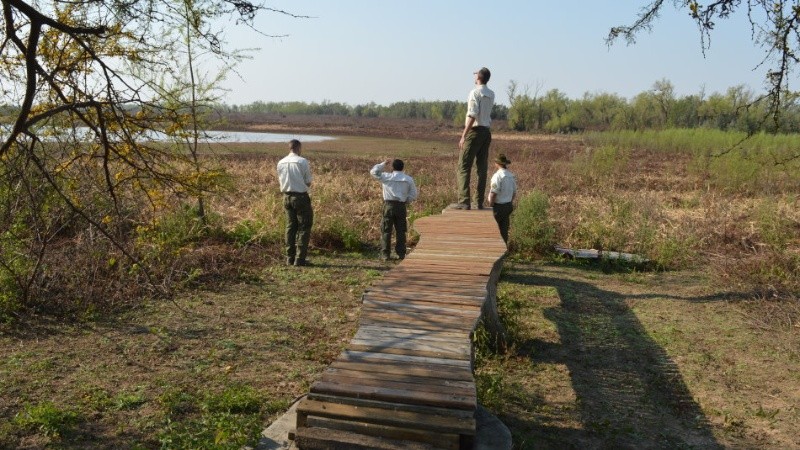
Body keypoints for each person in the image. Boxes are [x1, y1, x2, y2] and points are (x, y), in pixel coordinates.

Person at [452, 67, 495, 210]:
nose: (474, 75)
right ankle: (479, 202)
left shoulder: (474, 93)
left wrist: (464, 135)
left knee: (463, 167)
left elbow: (472, 114)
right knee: (481, 168)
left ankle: (464, 201)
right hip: (486, 132)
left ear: (478, 77)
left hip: (475, 132)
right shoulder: (491, 93)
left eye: (476, 74)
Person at [370, 159, 418, 261]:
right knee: (401, 230)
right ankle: (401, 253)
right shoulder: (408, 179)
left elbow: (373, 172)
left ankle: (385, 254)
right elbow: (414, 194)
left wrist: (383, 164)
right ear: (403, 167)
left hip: (388, 205)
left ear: (392, 167)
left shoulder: (386, 177)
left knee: (386, 230)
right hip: (401, 206)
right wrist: (405, 201)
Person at [277, 139, 313, 266]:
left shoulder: (281, 162)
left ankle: (289, 257)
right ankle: (300, 259)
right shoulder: (302, 161)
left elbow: (280, 180)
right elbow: (308, 181)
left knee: (290, 227)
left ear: (289, 148)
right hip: (300, 197)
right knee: (304, 226)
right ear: (298, 148)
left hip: (286, 196)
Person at [486, 153, 517, 244]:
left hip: (498, 207)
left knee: (491, 230)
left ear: (497, 164)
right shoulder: (511, 176)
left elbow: (493, 193)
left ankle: (491, 249)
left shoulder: (497, 176)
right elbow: (514, 193)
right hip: (508, 206)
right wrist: (509, 202)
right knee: (504, 230)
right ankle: (504, 249)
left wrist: (491, 206)